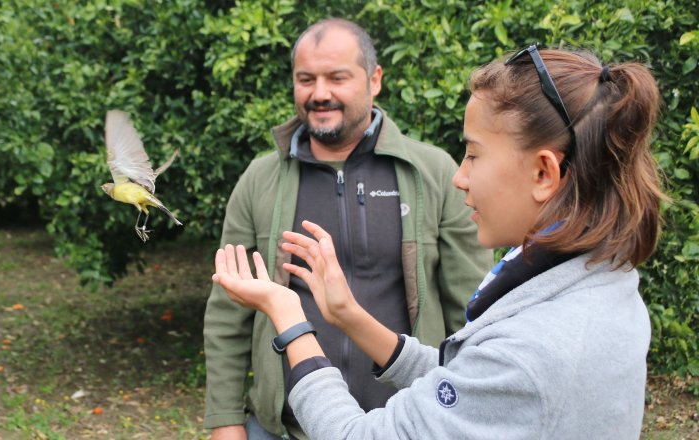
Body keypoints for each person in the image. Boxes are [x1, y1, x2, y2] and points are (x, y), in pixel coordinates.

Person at [212, 45, 665, 439]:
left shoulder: (532, 349)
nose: (460, 177)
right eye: (305, 78)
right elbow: (471, 381)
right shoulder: (603, 284)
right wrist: (348, 315)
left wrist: (290, 317)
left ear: (544, 173)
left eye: (473, 154)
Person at [203, 18, 491, 439]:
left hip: (405, 424)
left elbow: (470, 312)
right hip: (286, 428)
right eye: (306, 79)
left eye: (337, 78)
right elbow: (227, 317)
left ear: (375, 79)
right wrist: (226, 423)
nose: (320, 94)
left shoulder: (433, 173)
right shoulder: (259, 180)